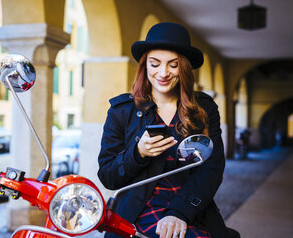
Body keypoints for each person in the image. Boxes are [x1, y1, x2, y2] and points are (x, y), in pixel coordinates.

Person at [98, 23, 238, 238]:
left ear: (184, 68)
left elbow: (211, 169)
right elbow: (109, 177)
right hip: (136, 211)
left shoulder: (204, 108)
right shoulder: (121, 111)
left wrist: (179, 213)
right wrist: (137, 154)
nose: (163, 73)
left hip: (188, 206)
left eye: (173, 65)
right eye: (154, 64)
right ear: (145, 66)